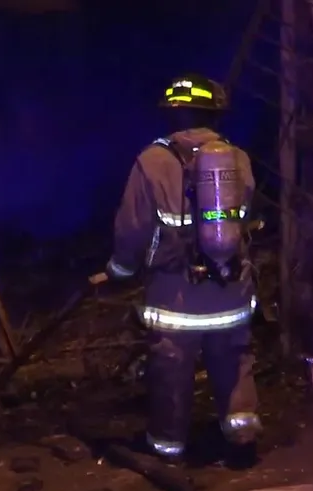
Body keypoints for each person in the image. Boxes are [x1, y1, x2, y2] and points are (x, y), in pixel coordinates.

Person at [103, 74, 262, 466]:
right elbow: (247, 217)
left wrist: (120, 270)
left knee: (170, 371)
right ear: (214, 114)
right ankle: (242, 434)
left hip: (175, 301)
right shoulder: (237, 159)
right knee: (235, 361)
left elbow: (132, 227)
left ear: (171, 116)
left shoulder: (151, 162)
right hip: (230, 293)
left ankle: (167, 447)